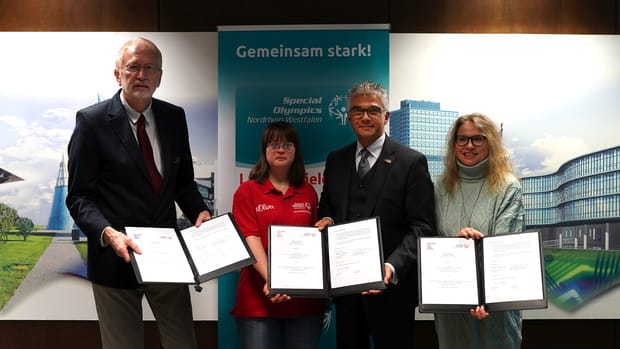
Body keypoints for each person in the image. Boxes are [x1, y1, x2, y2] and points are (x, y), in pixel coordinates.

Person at [66, 37, 211, 349]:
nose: (141, 74)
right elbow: (79, 196)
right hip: (116, 259)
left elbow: (183, 182)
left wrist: (199, 210)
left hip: (168, 258)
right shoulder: (91, 122)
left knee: (183, 343)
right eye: (133, 67)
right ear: (118, 74)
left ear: (160, 77)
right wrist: (108, 233)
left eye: (149, 68)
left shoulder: (175, 118)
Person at [314, 80, 436, 349]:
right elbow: (328, 206)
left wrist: (391, 267)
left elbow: (423, 227)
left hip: (391, 290)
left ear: (386, 116)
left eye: (373, 110)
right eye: (357, 111)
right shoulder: (336, 160)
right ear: (349, 117)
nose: (365, 117)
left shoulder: (411, 162)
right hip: (346, 290)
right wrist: (328, 220)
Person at [231, 121, 327, 349]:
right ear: (264, 150)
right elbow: (250, 238)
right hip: (258, 299)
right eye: (274, 144)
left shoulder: (308, 191)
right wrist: (273, 280)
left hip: (304, 303)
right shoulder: (247, 191)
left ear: (296, 151)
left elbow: (313, 242)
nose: (281, 149)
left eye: (287, 144)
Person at [433, 112, 524, 349]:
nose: (469, 145)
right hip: (451, 305)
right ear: (454, 145)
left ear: (490, 142)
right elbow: (430, 241)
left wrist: (485, 298)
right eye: (462, 139)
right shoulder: (439, 187)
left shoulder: (508, 186)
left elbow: (507, 246)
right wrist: (455, 246)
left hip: (496, 308)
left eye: (478, 139)